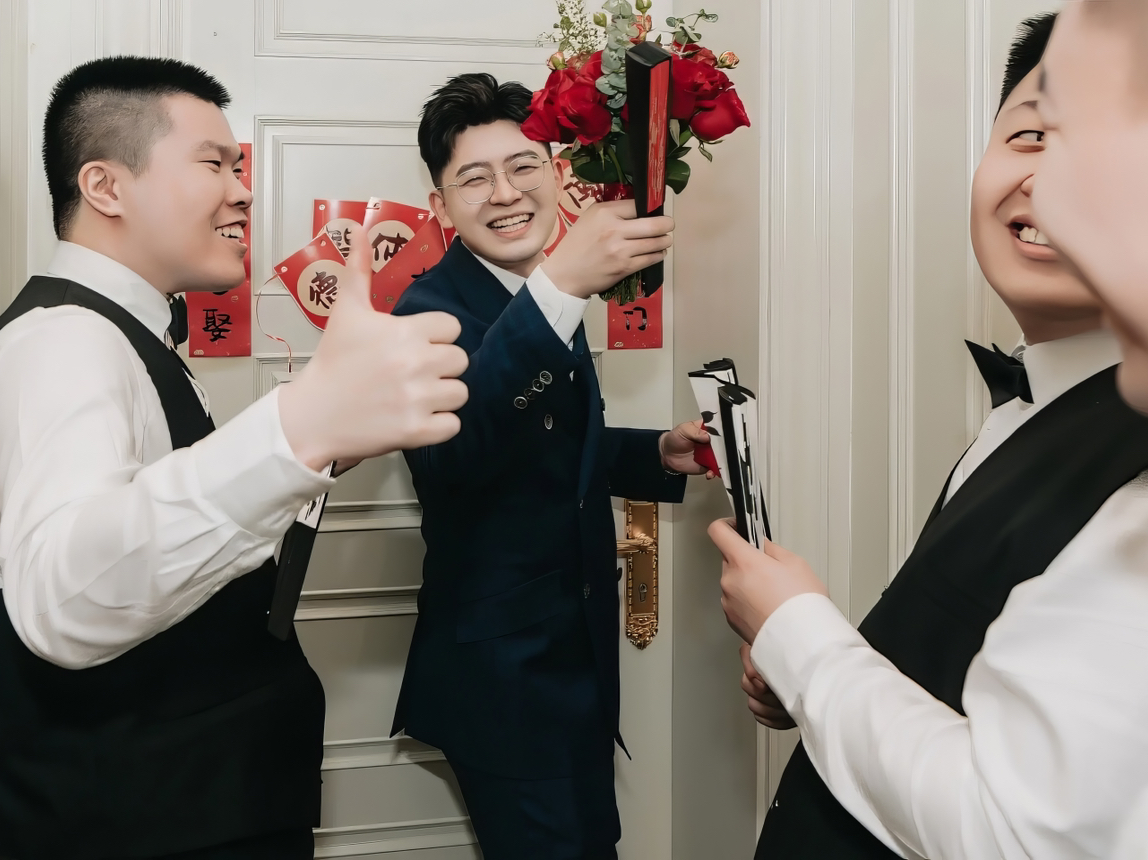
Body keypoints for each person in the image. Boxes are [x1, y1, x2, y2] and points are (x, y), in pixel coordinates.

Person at [0, 56, 468, 859]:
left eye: (239, 166)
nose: (243, 191)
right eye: (214, 164)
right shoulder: (65, 339)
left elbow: (154, 519)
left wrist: (320, 447)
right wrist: (299, 427)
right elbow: (64, 598)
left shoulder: (129, 331)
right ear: (106, 187)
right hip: (146, 819)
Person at [715, 12, 1148, 860]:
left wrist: (804, 639)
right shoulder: (1029, 405)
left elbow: (1013, 832)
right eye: (1031, 134)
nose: (1055, 179)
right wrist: (804, 669)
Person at [389, 73, 710, 859]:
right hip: (505, 680)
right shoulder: (423, 315)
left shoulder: (533, 293)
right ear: (441, 207)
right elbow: (453, 455)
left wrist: (653, 454)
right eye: (475, 178)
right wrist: (560, 286)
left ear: (557, 173)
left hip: (569, 663)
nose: (505, 193)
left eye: (523, 166)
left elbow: (542, 443)